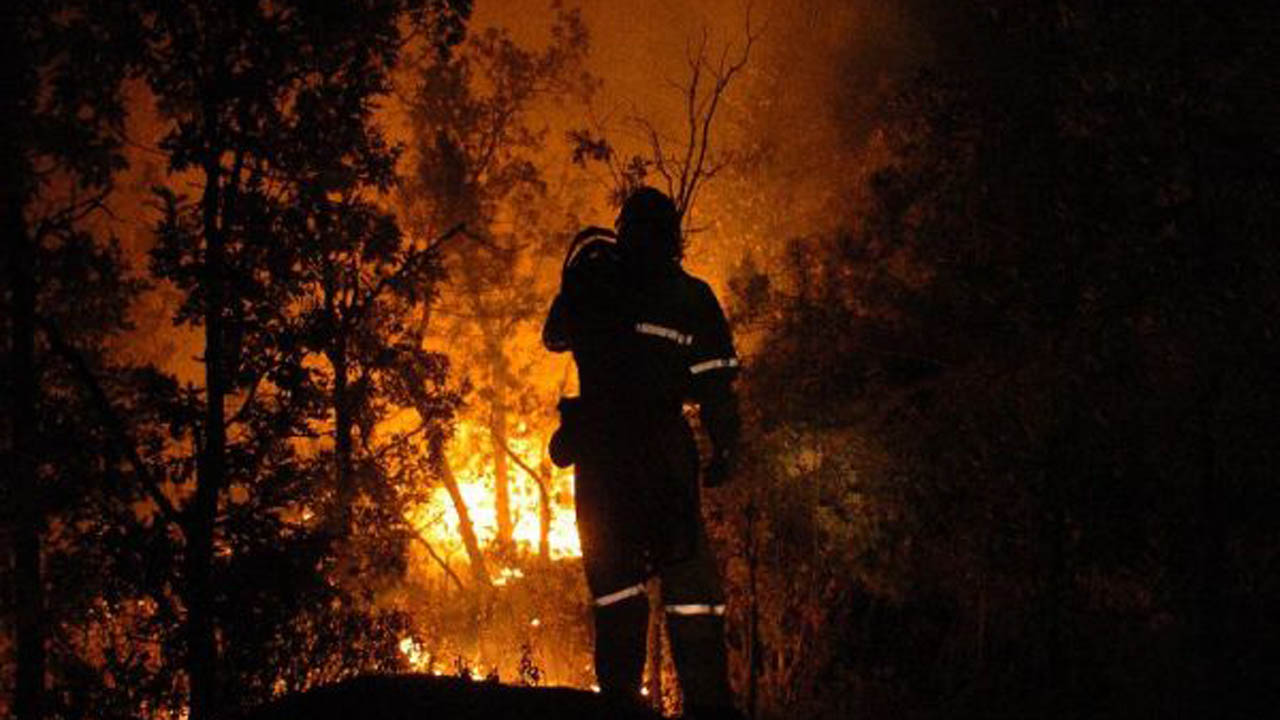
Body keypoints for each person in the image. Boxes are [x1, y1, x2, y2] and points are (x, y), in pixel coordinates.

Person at [542, 187, 742, 720]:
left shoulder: (592, 284)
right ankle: (707, 705)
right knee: (689, 586)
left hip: (601, 454)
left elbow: (553, 336)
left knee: (615, 585)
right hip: (660, 456)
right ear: (673, 238)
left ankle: (620, 703)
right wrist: (726, 448)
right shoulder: (690, 297)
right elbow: (717, 388)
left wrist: (589, 279)